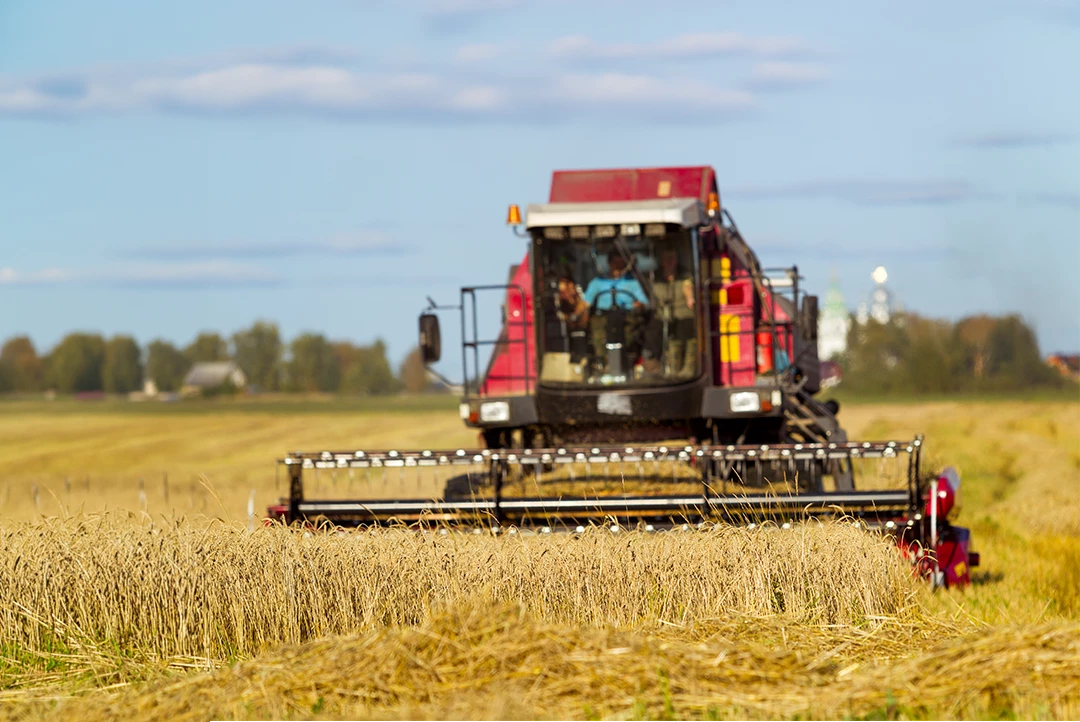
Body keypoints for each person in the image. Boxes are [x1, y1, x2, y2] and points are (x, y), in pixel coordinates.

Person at [582, 249, 650, 374]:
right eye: (615, 263)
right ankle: (602, 361)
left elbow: (645, 303)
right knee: (597, 330)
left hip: (626, 316)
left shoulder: (632, 282)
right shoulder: (597, 282)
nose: (618, 266)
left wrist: (639, 304)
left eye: (621, 263)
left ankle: (628, 360)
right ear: (609, 263)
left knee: (631, 332)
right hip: (603, 316)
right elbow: (585, 303)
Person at [651, 247, 697, 377]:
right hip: (663, 317)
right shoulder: (655, 278)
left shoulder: (684, 276)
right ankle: (671, 370)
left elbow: (688, 287)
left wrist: (690, 298)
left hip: (684, 315)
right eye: (666, 258)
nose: (669, 261)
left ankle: (688, 371)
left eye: (672, 258)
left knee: (687, 334)